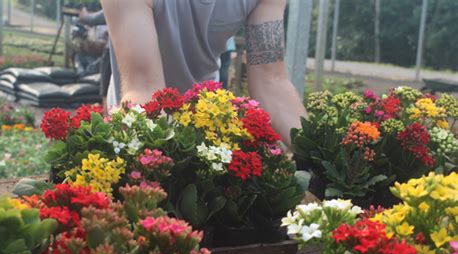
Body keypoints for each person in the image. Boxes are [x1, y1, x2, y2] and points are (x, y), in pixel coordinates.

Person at [102, 0, 306, 145]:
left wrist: (316, 155)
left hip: (204, 113)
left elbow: (271, 81)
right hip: (144, 107)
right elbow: (144, 87)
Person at [79, 8, 111, 113]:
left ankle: (108, 117)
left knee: (106, 91)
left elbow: (95, 18)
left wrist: (84, 15)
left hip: (113, 53)